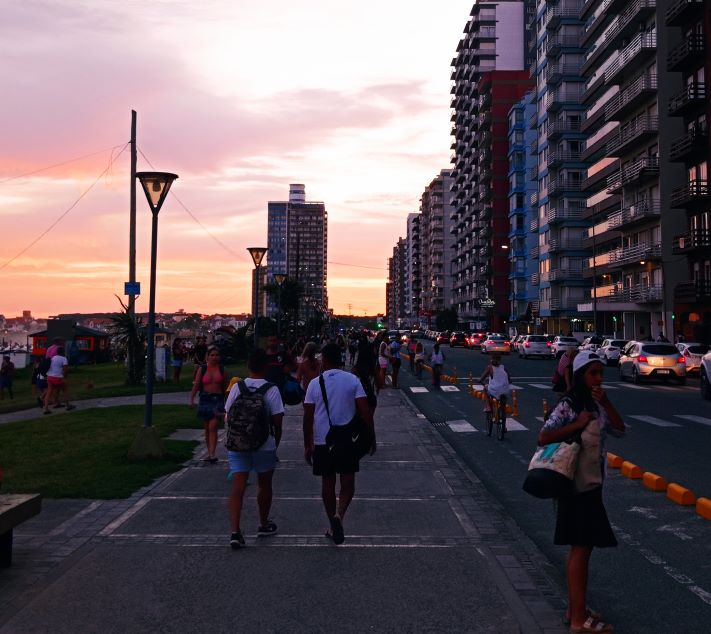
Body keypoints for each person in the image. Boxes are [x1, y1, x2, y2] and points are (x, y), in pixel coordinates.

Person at [538, 351, 625, 634]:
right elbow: (544, 436)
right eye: (592, 373)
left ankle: (575, 608)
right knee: (580, 548)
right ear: (579, 376)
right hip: (574, 486)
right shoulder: (569, 405)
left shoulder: (596, 404)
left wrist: (607, 402)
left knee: (584, 549)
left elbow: (620, 430)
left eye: (601, 373)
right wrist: (577, 423)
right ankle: (578, 620)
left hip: (592, 486)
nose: (599, 378)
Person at [302, 343, 375, 545]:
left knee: (327, 482)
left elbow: (307, 417)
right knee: (348, 483)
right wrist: (371, 437)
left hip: (323, 440)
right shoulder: (353, 380)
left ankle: (331, 519)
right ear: (341, 359)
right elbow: (365, 411)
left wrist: (307, 444)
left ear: (324, 360)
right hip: (347, 440)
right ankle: (339, 516)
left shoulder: (315, 384)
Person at [225, 348, 284, 549]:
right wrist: (276, 443)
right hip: (264, 444)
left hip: (238, 444)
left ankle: (235, 531)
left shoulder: (237, 387)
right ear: (266, 367)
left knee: (238, 487)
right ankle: (263, 523)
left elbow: (228, 415)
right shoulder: (271, 389)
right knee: (264, 485)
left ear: (248, 366)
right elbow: (277, 421)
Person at [189, 346, 228, 463]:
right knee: (207, 428)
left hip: (218, 400)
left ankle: (212, 454)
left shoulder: (222, 369)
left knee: (213, 427)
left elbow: (226, 388)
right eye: (212, 355)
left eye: (217, 355)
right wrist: (191, 399)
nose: (214, 357)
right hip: (205, 399)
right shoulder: (203, 368)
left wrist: (228, 403)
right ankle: (209, 452)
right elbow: (196, 384)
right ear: (208, 356)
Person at [43, 346, 75, 413]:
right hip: (58, 377)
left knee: (49, 392)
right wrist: (65, 378)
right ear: (63, 352)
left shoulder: (53, 358)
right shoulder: (64, 359)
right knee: (65, 391)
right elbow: (65, 370)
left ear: (56, 352)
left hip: (49, 377)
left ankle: (46, 408)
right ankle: (68, 405)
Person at [479, 353, 511, 420]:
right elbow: (510, 380)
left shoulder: (489, 367)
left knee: (485, 389)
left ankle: (488, 407)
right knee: (504, 402)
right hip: (505, 390)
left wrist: (481, 382)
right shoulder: (504, 367)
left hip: (494, 389)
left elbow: (481, 379)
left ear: (491, 360)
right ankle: (504, 424)